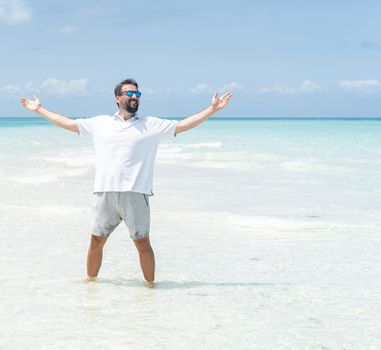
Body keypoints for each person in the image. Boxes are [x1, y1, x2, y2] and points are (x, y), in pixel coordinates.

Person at [19, 78, 232, 287]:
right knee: (96, 241)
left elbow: (184, 125)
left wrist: (211, 109)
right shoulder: (100, 123)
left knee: (142, 243)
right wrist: (39, 110)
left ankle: (150, 288)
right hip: (104, 192)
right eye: (129, 93)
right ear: (117, 98)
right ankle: (91, 284)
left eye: (137, 94)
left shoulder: (151, 125)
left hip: (136, 193)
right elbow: (68, 123)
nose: (134, 97)